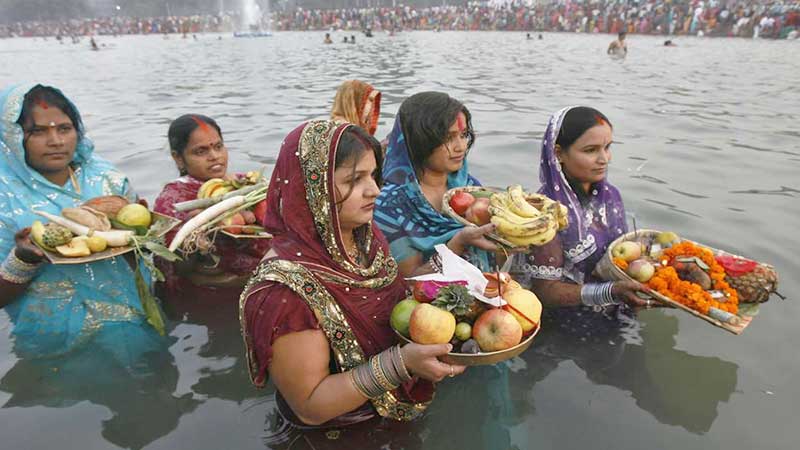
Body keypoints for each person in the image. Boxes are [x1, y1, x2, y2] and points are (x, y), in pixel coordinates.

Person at [240, 120, 463, 428]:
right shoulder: (283, 291)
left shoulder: (364, 238)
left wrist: (458, 262)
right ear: (312, 189)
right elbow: (310, 406)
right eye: (354, 180)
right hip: (338, 434)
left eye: (373, 175)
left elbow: (392, 302)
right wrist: (401, 364)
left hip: (391, 417)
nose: (374, 190)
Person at [0, 84, 162, 359]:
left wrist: (141, 236)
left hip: (134, 324)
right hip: (53, 342)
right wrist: (23, 259)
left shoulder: (108, 180)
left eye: (64, 128)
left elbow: (146, 261)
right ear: (13, 137)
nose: (56, 141)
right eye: (38, 131)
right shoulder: (4, 197)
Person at [510, 106, 649, 312]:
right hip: (565, 324)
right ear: (559, 154)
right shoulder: (544, 213)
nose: (604, 159)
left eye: (607, 147)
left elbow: (620, 257)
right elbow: (544, 292)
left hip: (617, 307)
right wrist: (608, 292)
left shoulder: (610, 196)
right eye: (591, 150)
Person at [374, 92, 497, 277]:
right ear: (420, 141)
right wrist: (457, 244)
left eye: (463, 135)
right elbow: (408, 283)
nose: (461, 146)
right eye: (448, 138)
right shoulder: (390, 205)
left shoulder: (469, 187)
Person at [153, 114, 270, 301]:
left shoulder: (243, 184)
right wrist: (197, 236)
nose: (214, 156)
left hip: (257, 286)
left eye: (218, 147)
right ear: (178, 158)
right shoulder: (173, 201)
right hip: (208, 300)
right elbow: (177, 267)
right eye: (200, 151)